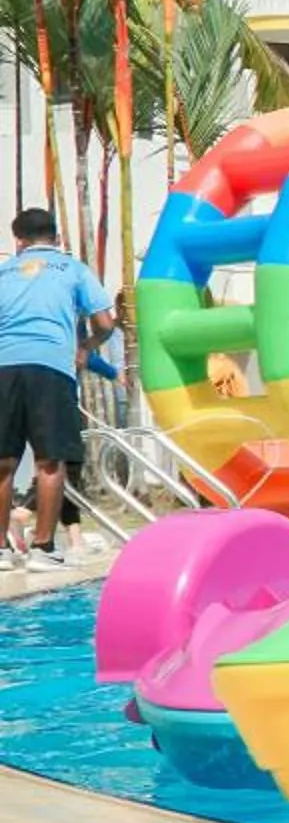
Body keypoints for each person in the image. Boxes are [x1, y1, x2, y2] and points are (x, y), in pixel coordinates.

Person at [0, 209, 118, 570]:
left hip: (4, 368)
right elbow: (105, 323)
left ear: (19, 240)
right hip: (50, 367)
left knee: (3, 462)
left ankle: (1, 551)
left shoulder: (3, 272)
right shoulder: (73, 269)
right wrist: (86, 347)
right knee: (50, 461)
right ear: (55, 237)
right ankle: (43, 547)